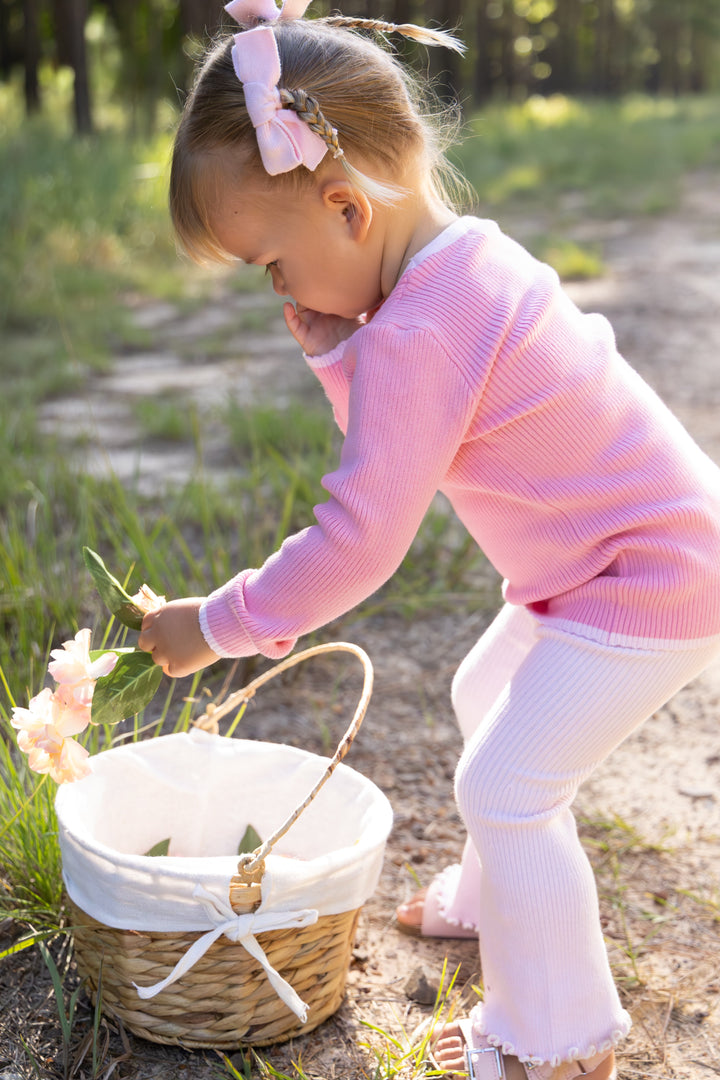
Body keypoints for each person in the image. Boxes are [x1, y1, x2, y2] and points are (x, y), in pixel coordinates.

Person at [137, 1, 720, 1077]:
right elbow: (407, 434)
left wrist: (217, 625)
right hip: (627, 557)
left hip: (647, 581)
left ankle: (559, 1041)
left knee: (507, 786)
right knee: (482, 695)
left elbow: (361, 536)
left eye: (271, 262)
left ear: (346, 207)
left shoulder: (415, 329)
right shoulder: (463, 263)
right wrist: (337, 358)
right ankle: (503, 897)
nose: (278, 288)